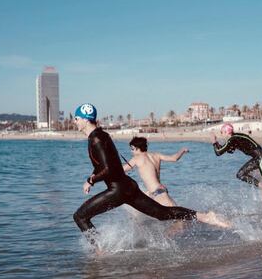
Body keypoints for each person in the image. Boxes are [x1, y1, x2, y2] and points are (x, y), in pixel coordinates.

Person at [72, 103, 230, 252]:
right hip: (128, 186)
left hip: (117, 190)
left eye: (77, 118)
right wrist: (94, 174)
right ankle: (204, 216)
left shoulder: (96, 139)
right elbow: (107, 164)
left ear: (85, 120)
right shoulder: (101, 135)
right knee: (162, 214)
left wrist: (90, 180)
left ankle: (99, 250)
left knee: (80, 216)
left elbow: (108, 168)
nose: (75, 121)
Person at [210, 123, 262, 204]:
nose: (221, 134)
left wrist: (214, 142)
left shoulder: (232, 139)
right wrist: (217, 144)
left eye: (221, 132)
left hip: (261, 157)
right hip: (258, 158)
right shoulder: (235, 138)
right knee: (241, 174)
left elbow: (218, 152)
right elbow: (230, 151)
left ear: (227, 132)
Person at [123, 137, 188, 207]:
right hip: (158, 191)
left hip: (157, 193)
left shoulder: (136, 158)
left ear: (138, 148)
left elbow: (122, 169)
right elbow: (174, 158)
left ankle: (199, 216)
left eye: (132, 149)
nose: (131, 152)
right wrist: (182, 150)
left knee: (177, 214)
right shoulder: (157, 155)